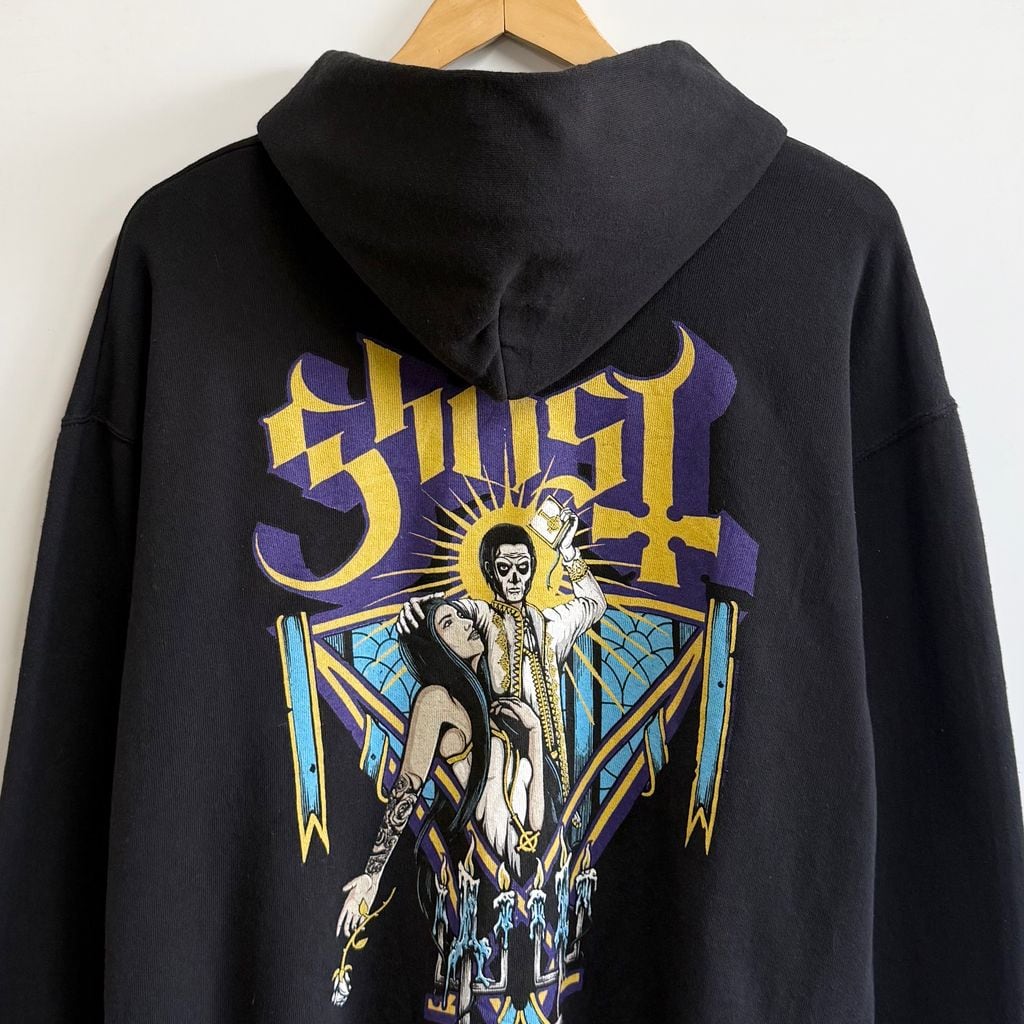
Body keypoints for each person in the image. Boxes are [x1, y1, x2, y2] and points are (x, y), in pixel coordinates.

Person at [336, 599, 550, 938]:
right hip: (483, 891)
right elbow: (408, 784)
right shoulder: (437, 701)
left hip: (525, 885)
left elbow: (534, 825)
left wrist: (535, 732)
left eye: (462, 616)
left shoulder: (496, 713)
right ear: (435, 647)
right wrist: (372, 874)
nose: (467, 623)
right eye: (448, 623)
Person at [397, 510, 607, 805]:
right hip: (502, 774)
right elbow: (452, 613)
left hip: (551, 773)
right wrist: (420, 609)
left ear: (533, 569)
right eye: (504, 568)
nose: (515, 578)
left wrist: (568, 550)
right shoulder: (483, 619)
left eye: (523, 567)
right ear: (490, 571)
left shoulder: (552, 625)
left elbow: (595, 603)